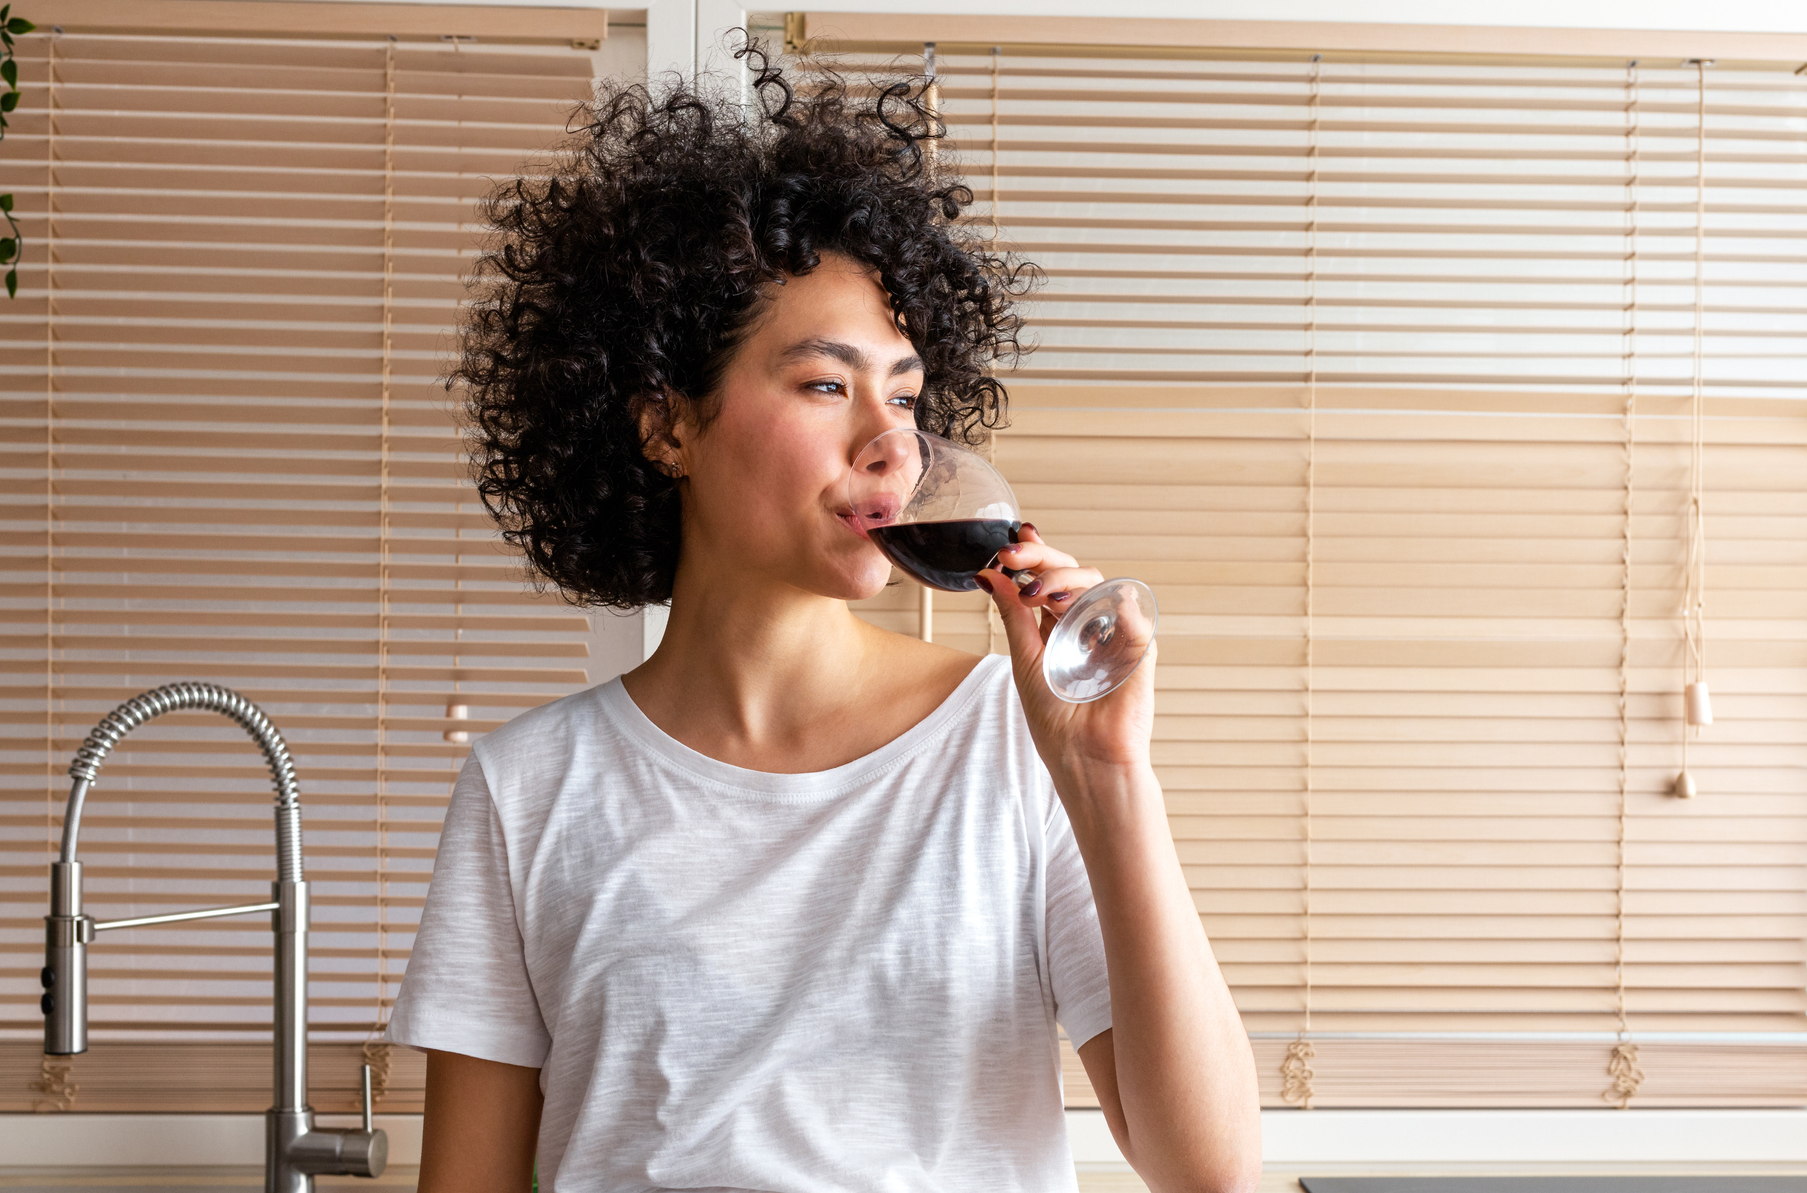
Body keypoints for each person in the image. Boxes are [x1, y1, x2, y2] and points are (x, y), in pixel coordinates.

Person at [386, 42, 1260, 1193]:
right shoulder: (528, 788)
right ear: (666, 426)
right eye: (824, 384)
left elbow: (1212, 1170)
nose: (887, 444)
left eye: (903, 393)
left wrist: (1108, 778)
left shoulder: (1018, 737)